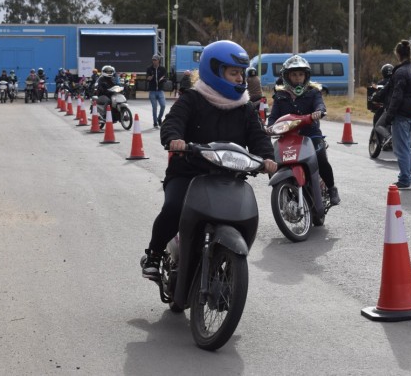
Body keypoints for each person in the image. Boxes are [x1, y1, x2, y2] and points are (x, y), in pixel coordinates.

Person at [141, 40, 278, 279]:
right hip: (188, 173)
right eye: (233, 72)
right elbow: (173, 122)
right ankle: (153, 254)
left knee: (245, 217)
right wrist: (174, 138)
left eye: (241, 73)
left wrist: (267, 157)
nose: (239, 79)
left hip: (228, 177)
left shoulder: (245, 107)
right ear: (214, 71)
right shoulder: (192, 99)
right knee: (173, 208)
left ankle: (228, 265)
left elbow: (258, 136)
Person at [267, 55, 341, 206]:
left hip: (311, 135)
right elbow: (273, 117)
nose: (298, 78)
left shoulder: (313, 92)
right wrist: (269, 127)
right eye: (294, 74)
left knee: (321, 158)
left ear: (306, 75)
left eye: (301, 74)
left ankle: (332, 188)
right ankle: (283, 190)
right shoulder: (280, 96)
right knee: (273, 162)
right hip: (287, 137)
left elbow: (320, 106)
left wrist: (319, 112)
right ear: (286, 76)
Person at [384, 40, 411, 190]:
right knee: (405, 147)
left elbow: (397, 97)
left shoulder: (400, 72)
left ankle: (405, 179)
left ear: (398, 54)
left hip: (402, 115)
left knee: (402, 149)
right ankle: (406, 176)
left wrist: (389, 115)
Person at [371, 63, 394, 140]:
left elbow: (380, 94)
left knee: (378, 125)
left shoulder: (382, 83)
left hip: (388, 106)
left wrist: (374, 97)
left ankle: (388, 137)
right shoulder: (397, 81)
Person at [145, 54, 167, 128]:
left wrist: (162, 79)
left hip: (160, 90)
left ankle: (159, 118)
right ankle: (155, 122)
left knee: (163, 105)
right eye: (153, 60)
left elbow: (165, 77)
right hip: (152, 91)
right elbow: (147, 77)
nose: (154, 61)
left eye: (155, 60)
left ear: (158, 61)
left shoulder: (162, 69)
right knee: (154, 107)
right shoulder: (149, 68)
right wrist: (149, 78)